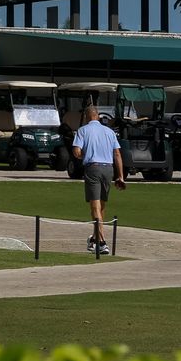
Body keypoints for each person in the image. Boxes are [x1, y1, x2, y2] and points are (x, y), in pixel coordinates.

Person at [72, 104, 125, 255]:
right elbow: (117, 154)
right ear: (98, 116)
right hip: (108, 169)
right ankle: (95, 238)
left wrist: (85, 155)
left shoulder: (82, 130)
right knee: (101, 206)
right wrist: (120, 176)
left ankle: (102, 242)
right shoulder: (109, 131)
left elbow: (76, 152)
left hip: (93, 168)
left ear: (87, 117)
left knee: (94, 207)